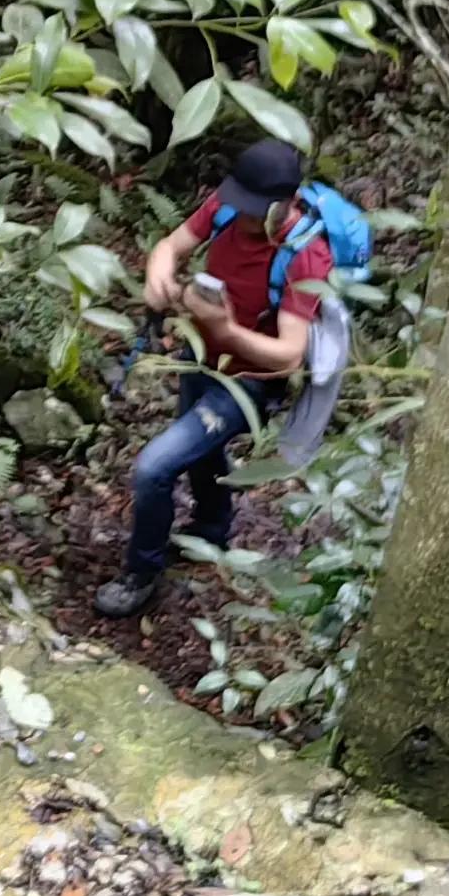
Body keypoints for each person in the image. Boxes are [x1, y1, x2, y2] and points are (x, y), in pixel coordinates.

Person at [89, 138, 333, 621]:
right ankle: (212, 526)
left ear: (282, 206)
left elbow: (288, 354)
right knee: (201, 450)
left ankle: (141, 571)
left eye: (251, 209)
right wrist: (158, 280)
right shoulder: (227, 205)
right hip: (199, 359)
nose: (238, 214)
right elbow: (170, 245)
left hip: (246, 384)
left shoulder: (305, 255)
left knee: (154, 468)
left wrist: (224, 328)